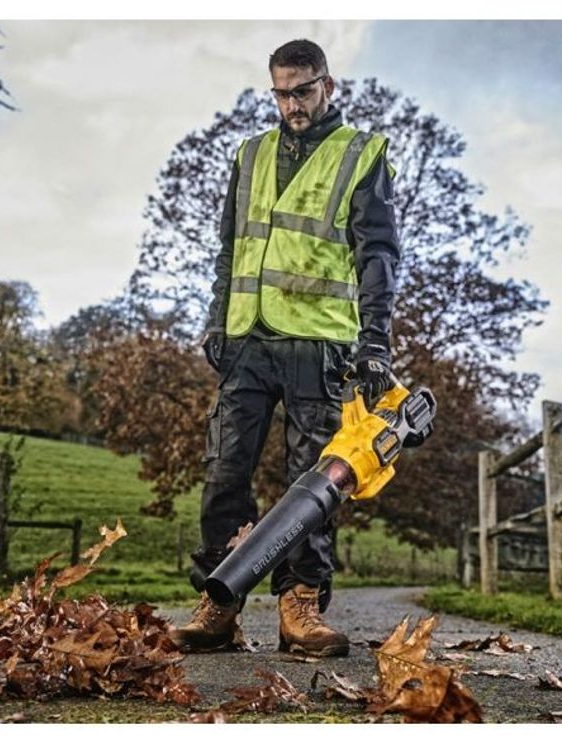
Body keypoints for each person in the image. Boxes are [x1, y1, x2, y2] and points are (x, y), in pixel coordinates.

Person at [170, 39, 401, 658]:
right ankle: (219, 605)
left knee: (315, 483)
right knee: (225, 472)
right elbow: (230, 249)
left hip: (319, 342)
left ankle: (300, 607)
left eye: (304, 90)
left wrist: (374, 344)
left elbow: (377, 254)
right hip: (247, 337)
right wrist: (217, 320)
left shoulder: (360, 155)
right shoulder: (249, 155)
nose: (293, 104)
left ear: (329, 85)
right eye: (282, 92)